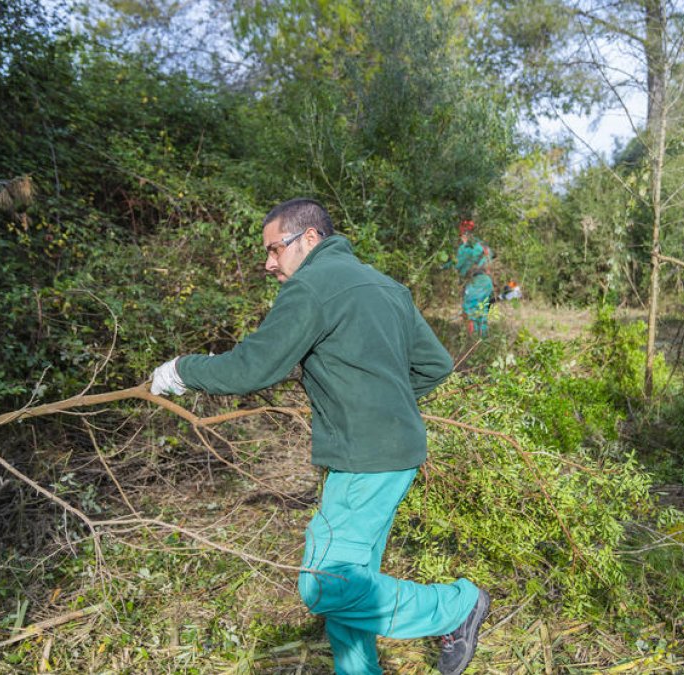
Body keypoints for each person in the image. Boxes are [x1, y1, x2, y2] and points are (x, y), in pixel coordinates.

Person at [149, 198, 490, 675]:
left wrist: (182, 370)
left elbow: (251, 367)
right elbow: (435, 364)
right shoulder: (386, 286)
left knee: (325, 585)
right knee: (355, 580)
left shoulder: (311, 287)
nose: (269, 263)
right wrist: (381, 403)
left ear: (309, 238)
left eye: (274, 249)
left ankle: (455, 607)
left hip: (364, 458)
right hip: (398, 451)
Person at [454, 219, 493, 336]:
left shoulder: (466, 247)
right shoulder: (482, 245)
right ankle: (482, 340)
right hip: (487, 282)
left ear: (463, 233)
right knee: (482, 312)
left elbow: (457, 264)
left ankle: (472, 340)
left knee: (469, 311)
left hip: (476, 282)